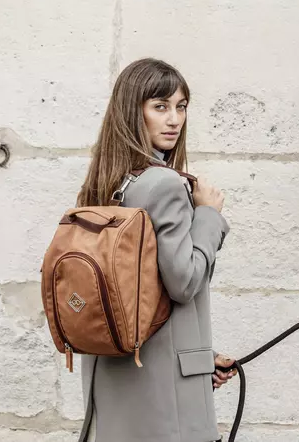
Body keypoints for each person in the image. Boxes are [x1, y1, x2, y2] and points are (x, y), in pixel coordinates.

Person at [76, 58, 236, 442]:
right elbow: (182, 282)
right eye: (160, 106)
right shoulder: (164, 185)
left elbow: (139, 296)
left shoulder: (106, 185)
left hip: (116, 377)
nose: (174, 120)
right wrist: (209, 216)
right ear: (134, 112)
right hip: (164, 398)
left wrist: (199, 361)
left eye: (181, 107)